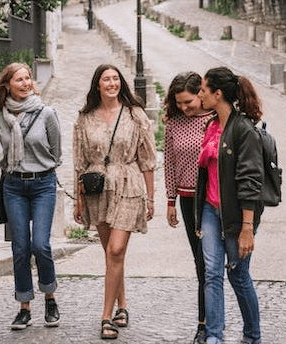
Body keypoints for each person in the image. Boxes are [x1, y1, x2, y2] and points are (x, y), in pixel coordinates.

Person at [73, 64, 156, 340]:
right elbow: (79, 162)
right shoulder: (84, 118)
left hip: (129, 184)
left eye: (116, 79)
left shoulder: (135, 115)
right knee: (110, 252)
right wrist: (78, 200)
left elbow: (147, 159)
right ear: (98, 85)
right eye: (106, 79)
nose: (112, 83)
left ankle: (106, 317)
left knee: (116, 250)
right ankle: (123, 304)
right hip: (97, 188)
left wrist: (151, 197)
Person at [0, 62, 62, 330]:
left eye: (28, 78)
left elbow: (57, 152)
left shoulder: (46, 113)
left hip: (43, 185)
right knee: (20, 248)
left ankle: (50, 297)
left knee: (40, 245)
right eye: (19, 79)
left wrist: (40, 168)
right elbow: (5, 156)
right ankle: (24, 307)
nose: (25, 83)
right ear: (7, 84)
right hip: (14, 186)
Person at [195, 66, 264, 344]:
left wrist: (247, 227)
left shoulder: (243, 130)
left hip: (237, 217)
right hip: (211, 211)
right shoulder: (210, 126)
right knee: (211, 273)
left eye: (202, 89)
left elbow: (250, 181)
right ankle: (214, 336)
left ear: (217, 93)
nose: (200, 94)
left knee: (238, 275)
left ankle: (252, 336)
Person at [163, 72, 214, 344]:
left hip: (212, 198)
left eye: (188, 101)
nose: (184, 107)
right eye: (179, 103)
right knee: (200, 263)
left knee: (211, 263)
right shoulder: (173, 123)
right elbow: (169, 163)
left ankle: (209, 323)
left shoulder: (214, 120)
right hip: (187, 199)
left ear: (200, 94)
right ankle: (204, 324)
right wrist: (170, 200)